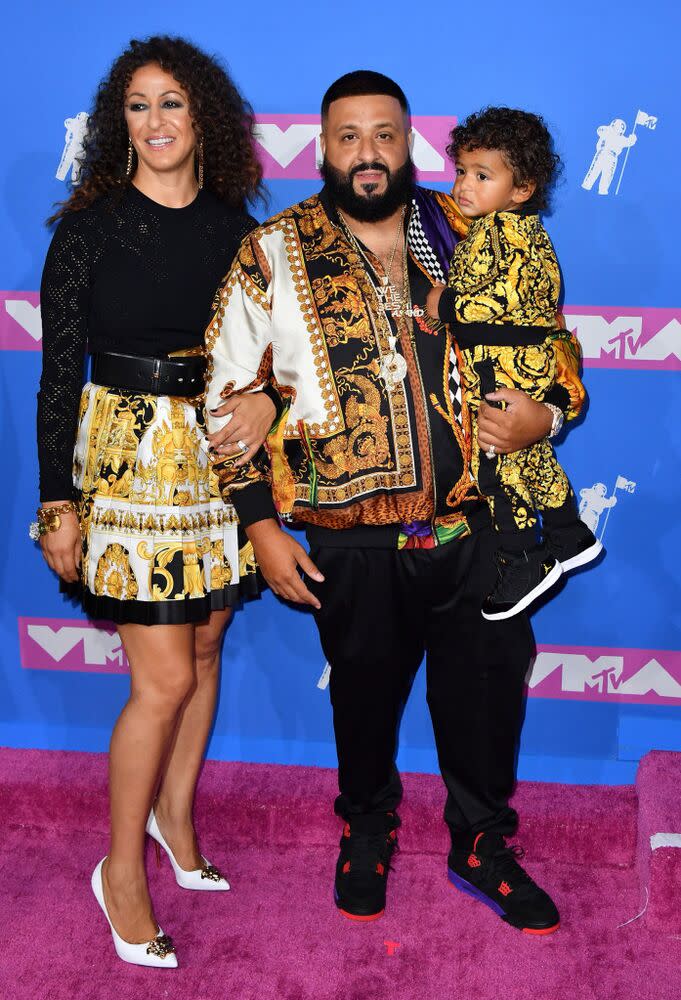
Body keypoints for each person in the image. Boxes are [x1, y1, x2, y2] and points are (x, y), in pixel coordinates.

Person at [206, 71, 586, 935]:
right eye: (348, 136)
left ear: (408, 141)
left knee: (488, 699)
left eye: (385, 135)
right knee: (365, 698)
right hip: (353, 536)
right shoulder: (272, 251)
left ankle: (482, 844)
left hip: (481, 523)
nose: (367, 153)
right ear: (322, 145)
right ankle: (368, 829)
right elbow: (223, 401)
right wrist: (261, 526)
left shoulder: (469, 232)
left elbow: (552, 346)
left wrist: (548, 413)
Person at [34, 36, 276, 968]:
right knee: (164, 677)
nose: (156, 122)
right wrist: (59, 501)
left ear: (202, 116)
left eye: (172, 102)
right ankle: (120, 871)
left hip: (216, 450)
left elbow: (274, 355)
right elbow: (58, 378)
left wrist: (267, 399)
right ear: (116, 124)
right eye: (137, 105)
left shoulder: (237, 232)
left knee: (209, 641)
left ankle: (176, 817)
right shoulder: (87, 229)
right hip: (127, 457)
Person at [426, 107, 601, 621]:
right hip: (504, 361)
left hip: (509, 365)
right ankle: (569, 534)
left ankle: (525, 557)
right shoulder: (494, 228)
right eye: (461, 171)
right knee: (529, 460)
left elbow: (503, 297)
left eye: (482, 176)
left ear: (521, 188)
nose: (464, 186)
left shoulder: (511, 233)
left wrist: (447, 306)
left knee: (501, 467)